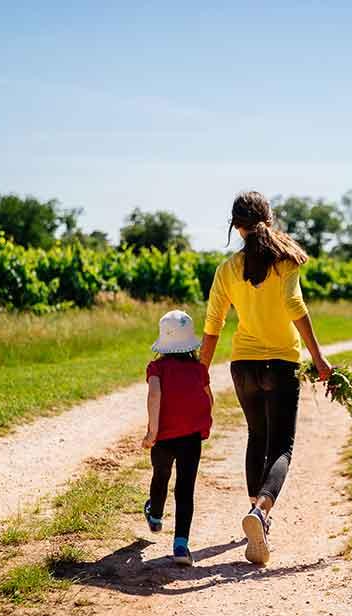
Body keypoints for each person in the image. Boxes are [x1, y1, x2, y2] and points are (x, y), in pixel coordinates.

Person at [201, 191, 332, 565]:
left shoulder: (227, 269)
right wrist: (319, 358)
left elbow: (213, 324)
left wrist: (202, 372)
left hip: (243, 365)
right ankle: (260, 513)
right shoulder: (286, 260)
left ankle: (255, 518)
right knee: (281, 447)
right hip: (282, 365)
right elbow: (295, 307)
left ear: (235, 226)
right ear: (269, 219)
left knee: (256, 437)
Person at [142, 309, 214, 566]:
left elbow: (154, 396)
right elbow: (208, 399)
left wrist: (152, 431)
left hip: (164, 437)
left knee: (161, 474)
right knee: (185, 488)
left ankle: (156, 515)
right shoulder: (198, 369)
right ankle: (181, 546)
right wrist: (204, 425)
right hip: (191, 438)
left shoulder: (157, 367)